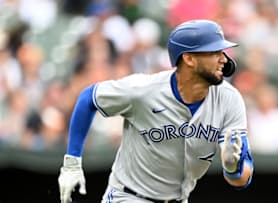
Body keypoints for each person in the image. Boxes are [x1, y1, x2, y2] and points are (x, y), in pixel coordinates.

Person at [58, 19, 254, 203]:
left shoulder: (229, 99)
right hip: (129, 197)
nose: (223, 59)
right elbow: (88, 98)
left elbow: (242, 179)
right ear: (189, 59)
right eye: (214, 52)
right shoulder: (144, 90)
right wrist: (72, 162)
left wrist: (232, 168)